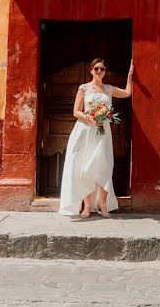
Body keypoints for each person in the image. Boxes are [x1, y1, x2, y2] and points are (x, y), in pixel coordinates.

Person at [59, 58, 133, 218]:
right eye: (97, 69)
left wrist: (130, 75)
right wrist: (91, 118)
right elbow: (76, 112)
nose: (100, 71)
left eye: (103, 69)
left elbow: (127, 93)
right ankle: (86, 206)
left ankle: (103, 204)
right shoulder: (84, 89)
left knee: (104, 167)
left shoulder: (109, 89)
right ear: (91, 70)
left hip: (103, 132)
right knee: (86, 167)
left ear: (106, 71)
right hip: (86, 131)